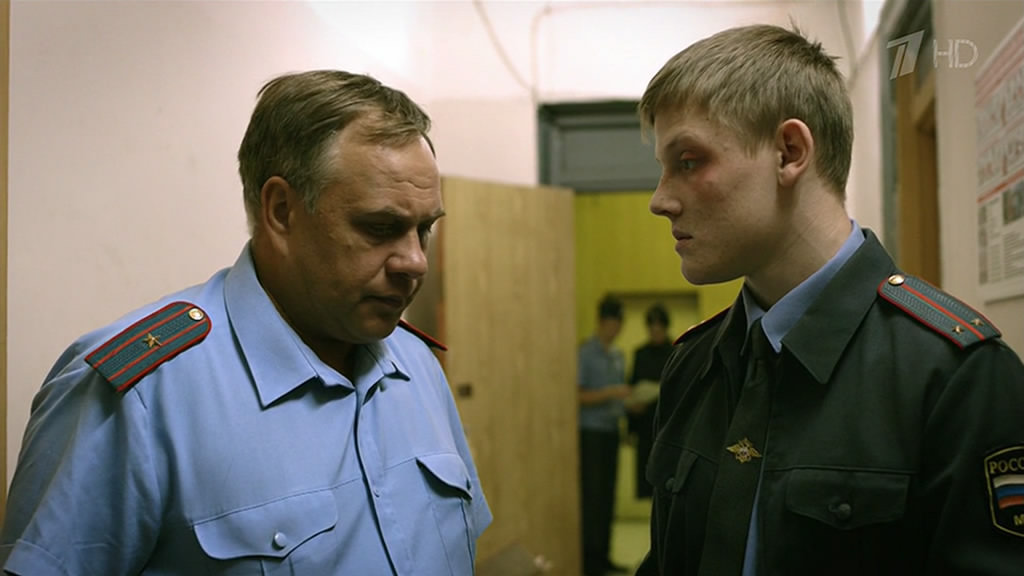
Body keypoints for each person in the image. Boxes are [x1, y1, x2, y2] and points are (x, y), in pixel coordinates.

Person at [0, 70, 491, 575]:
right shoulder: (142, 398)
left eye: (424, 229)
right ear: (281, 211)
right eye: (380, 227)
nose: (415, 262)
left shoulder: (415, 364)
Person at [636, 24, 1024, 576]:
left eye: (689, 161)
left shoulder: (956, 379)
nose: (660, 200)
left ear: (789, 152)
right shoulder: (693, 364)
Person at [578, 296, 632, 576]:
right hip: (591, 434)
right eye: (613, 323)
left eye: (619, 324)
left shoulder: (618, 355)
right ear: (602, 322)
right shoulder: (586, 353)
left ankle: (605, 555)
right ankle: (590, 559)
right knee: (593, 497)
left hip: (612, 431)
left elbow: (620, 396)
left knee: (608, 495)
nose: (616, 329)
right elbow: (577, 395)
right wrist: (610, 393)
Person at [627, 303, 672, 500]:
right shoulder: (641, 354)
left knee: (667, 483)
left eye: (659, 327)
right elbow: (632, 387)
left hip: (668, 426)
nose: (655, 331)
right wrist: (631, 426)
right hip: (645, 425)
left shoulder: (675, 352)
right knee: (647, 483)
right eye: (652, 327)